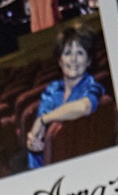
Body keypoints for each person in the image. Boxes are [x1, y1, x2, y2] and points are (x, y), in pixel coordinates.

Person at [26, 27, 105, 169]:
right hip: (44, 160)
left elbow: (83, 107)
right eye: (68, 53)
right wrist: (33, 140)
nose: (73, 59)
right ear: (60, 61)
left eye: (80, 53)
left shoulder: (93, 86)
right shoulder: (52, 89)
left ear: (89, 61)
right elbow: (39, 127)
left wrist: (44, 119)